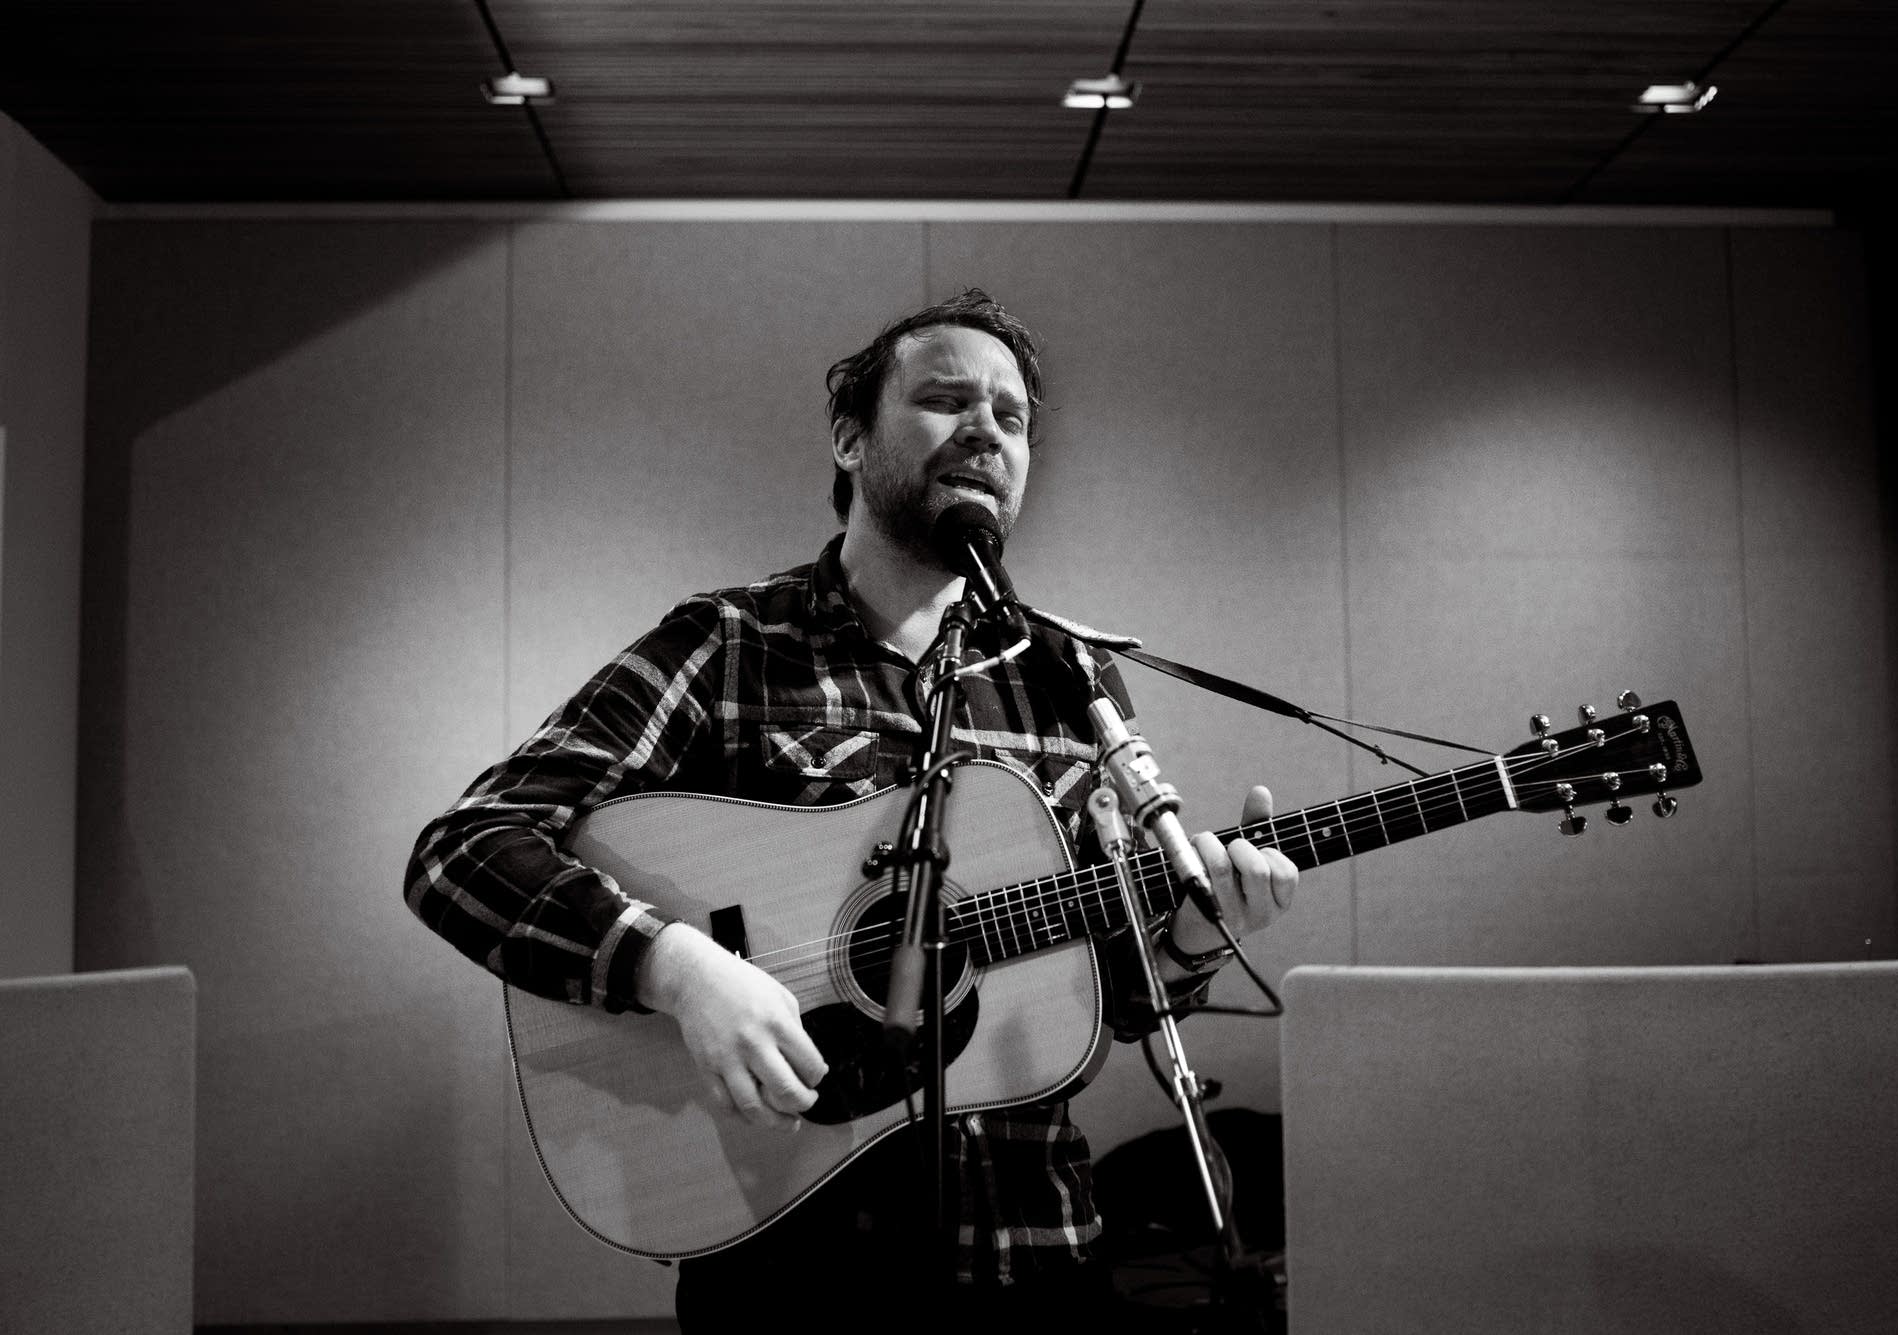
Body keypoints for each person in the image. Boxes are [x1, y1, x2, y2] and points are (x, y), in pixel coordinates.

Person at [404, 289, 1298, 1331]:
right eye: (944, 400)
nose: (985, 432)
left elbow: (1096, 1002)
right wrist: (677, 969)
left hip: (1032, 1253)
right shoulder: (731, 643)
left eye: (1011, 419)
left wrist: (1186, 937)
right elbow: (464, 849)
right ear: (848, 436)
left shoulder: (1070, 679)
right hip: (791, 1258)